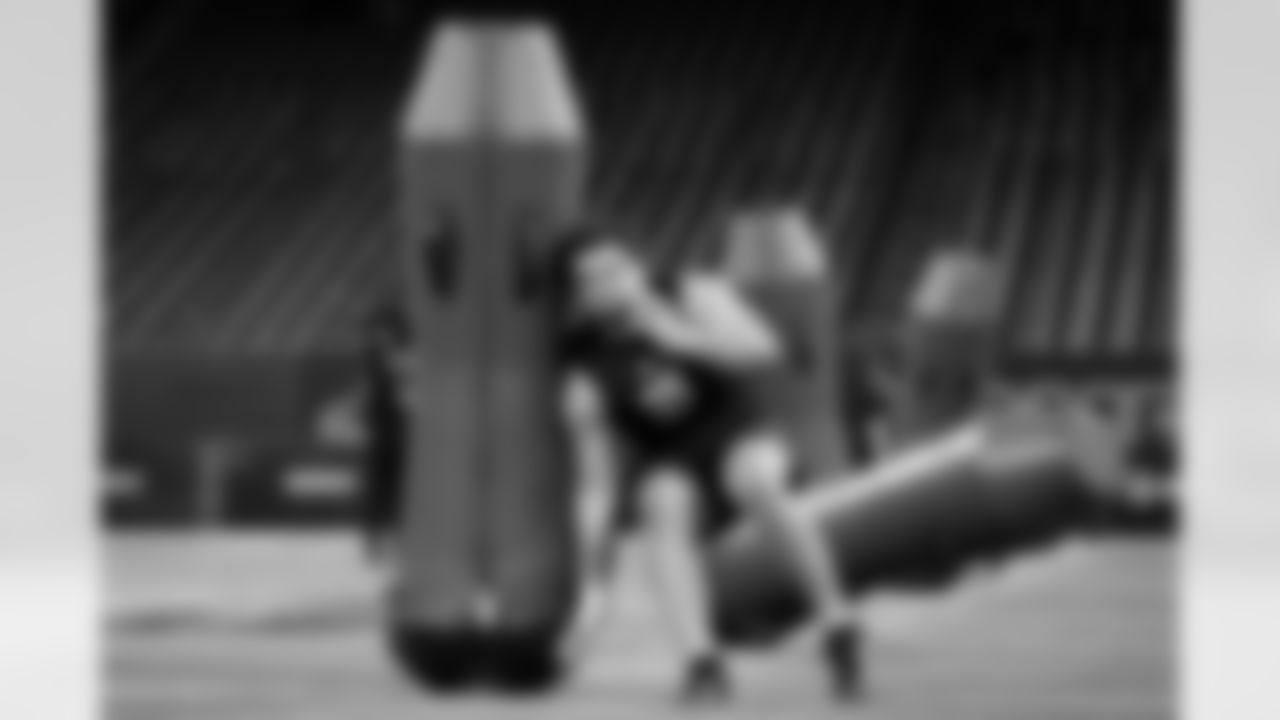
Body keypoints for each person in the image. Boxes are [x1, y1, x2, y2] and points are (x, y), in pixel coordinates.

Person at [554, 228, 862, 703]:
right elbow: (596, 482)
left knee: (756, 480)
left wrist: (681, 338)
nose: (608, 285)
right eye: (590, 281)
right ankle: (701, 662)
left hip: (740, 434)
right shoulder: (584, 366)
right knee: (662, 503)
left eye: (616, 269)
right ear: (578, 298)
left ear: (639, 267)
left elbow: (762, 348)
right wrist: (589, 566)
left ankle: (837, 624)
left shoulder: (692, 292)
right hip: (671, 456)